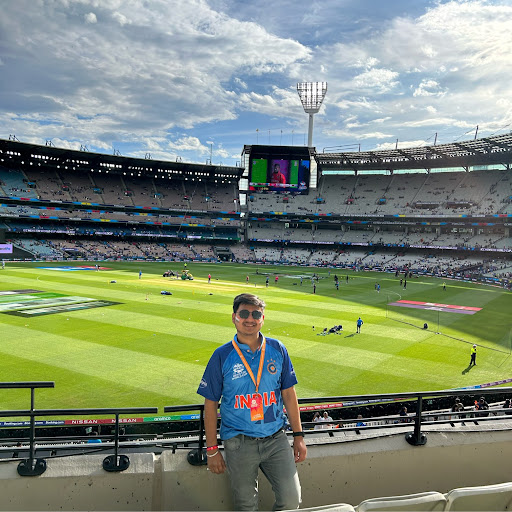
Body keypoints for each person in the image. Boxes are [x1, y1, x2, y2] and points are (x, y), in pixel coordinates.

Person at [197, 293, 306, 511]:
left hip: (275, 438)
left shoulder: (277, 349)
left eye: (256, 314)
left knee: (291, 499)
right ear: (234, 317)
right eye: (244, 313)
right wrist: (212, 449)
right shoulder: (221, 355)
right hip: (239, 441)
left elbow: (289, 394)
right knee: (246, 506)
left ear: (262, 319)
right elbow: (210, 404)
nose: (250, 319)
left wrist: (298, 436)